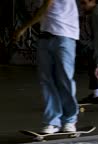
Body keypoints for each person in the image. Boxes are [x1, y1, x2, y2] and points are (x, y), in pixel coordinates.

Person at [14, 0, 80, 133]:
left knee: (64, 79)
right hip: (45, 37)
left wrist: (24, 28)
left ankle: (69, 120)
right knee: (47, 81)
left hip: (64, 36)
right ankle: (53, 121)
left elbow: (46, 7)